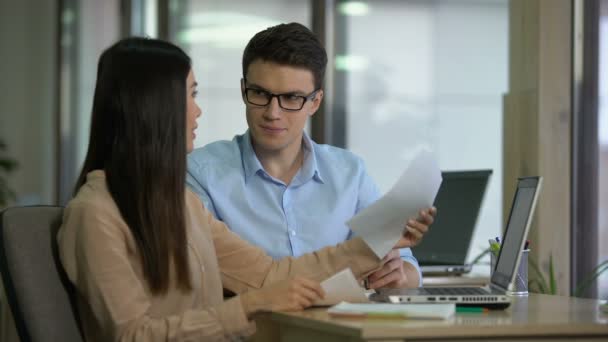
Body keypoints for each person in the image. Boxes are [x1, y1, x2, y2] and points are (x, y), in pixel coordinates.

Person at [57, 37, 418, 342]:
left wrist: (375, 243)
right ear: (155, 108)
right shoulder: (95, 214)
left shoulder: (178, 203)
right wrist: (250, 306)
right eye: (191, 94)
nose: (198, 112)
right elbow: (133, 335)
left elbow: (269, 277)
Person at [187, 22, 436, 289]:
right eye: (260, 93)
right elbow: (216, 278)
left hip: (341, 327)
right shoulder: (201, 173)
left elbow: (401, 258)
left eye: (292, 98)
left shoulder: (350, 173)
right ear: (243, 90)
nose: (273, 112)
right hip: (253, 328)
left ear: (315, 102)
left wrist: (401, 274)